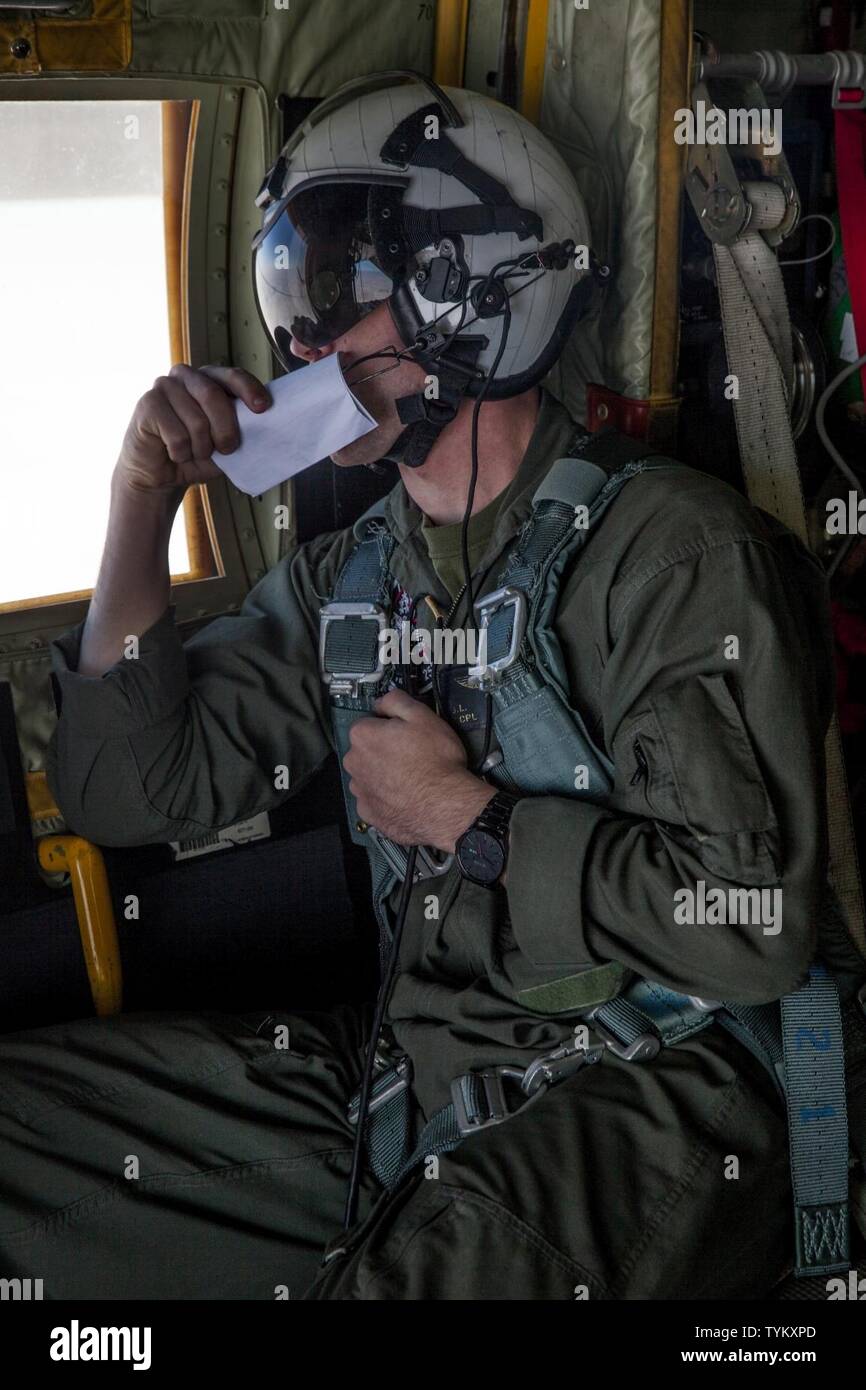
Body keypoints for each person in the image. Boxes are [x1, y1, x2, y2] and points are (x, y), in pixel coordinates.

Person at [0, 74, 836, 1300]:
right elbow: (130, 787)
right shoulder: (355, 577)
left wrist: (472, 822)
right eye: (286, 295)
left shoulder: (666, 557)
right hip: (412, 1078)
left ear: (471, 298)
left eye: (329, 295)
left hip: (658, 1083)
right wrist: (140, 500)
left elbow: (751, 929)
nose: (291, 342)